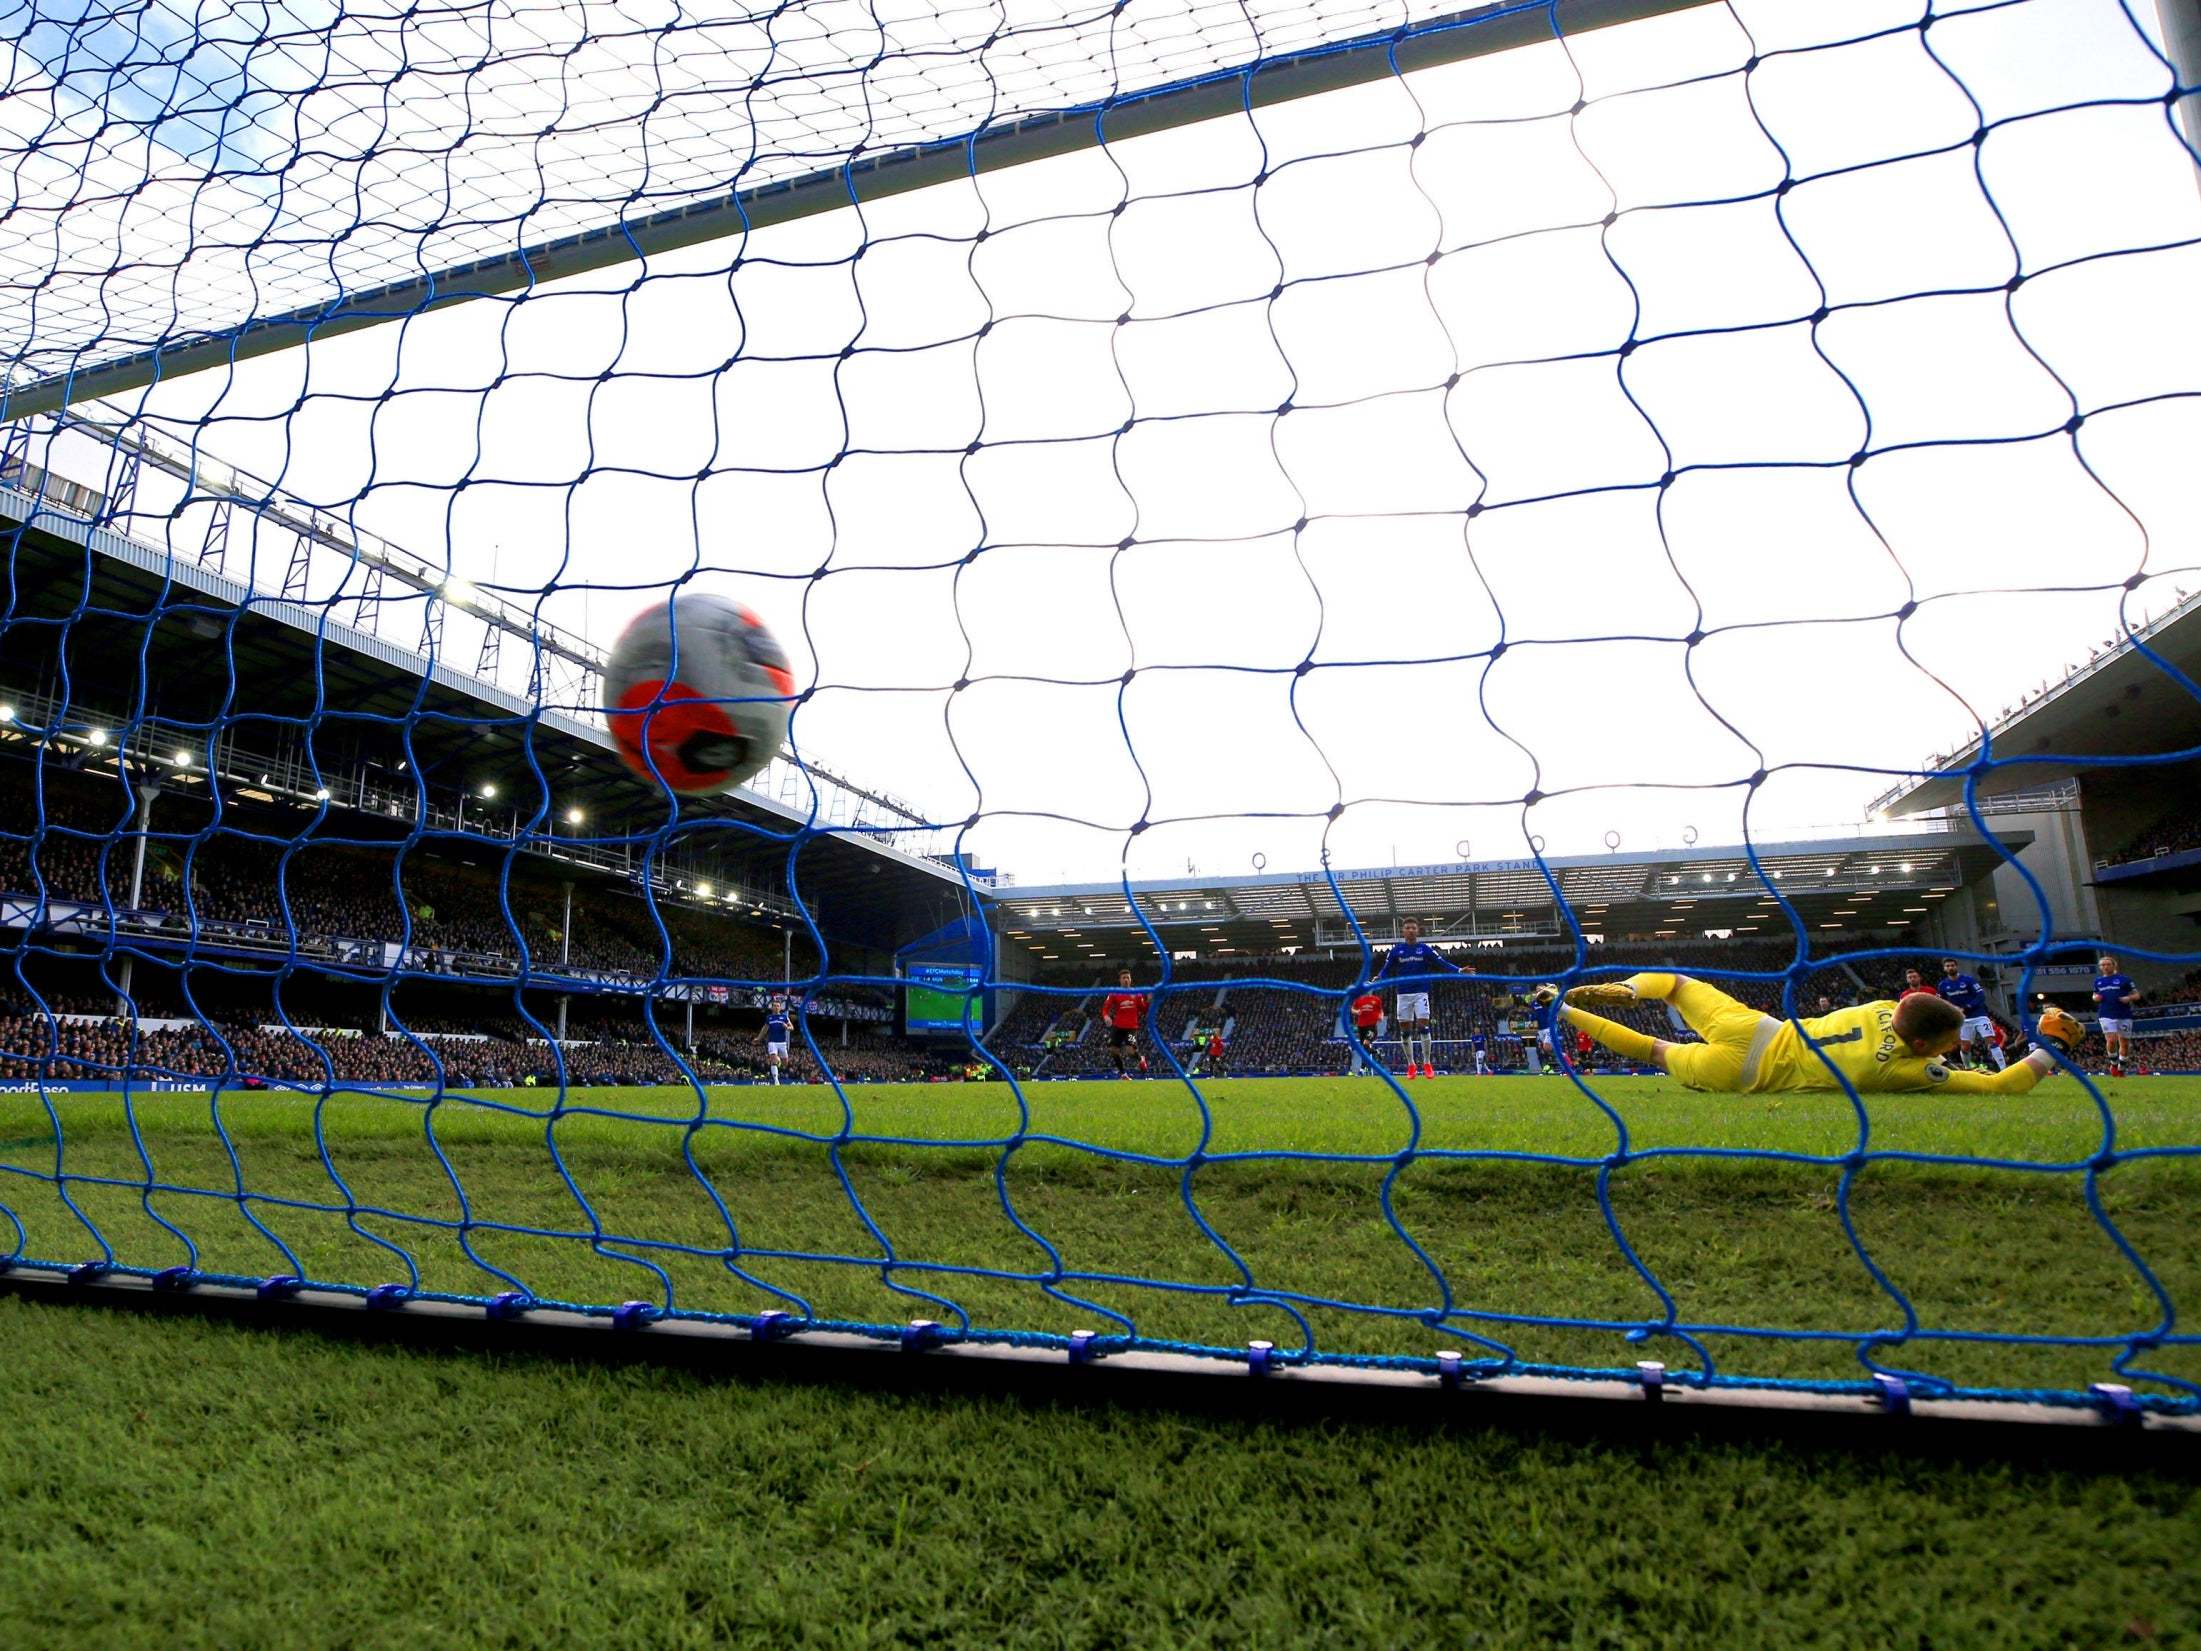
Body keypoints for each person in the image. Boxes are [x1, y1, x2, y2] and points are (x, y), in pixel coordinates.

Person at [1538, 972, 2080, 1096]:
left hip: (1755, 1026)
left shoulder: (1885, 1006)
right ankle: (1562, 1011)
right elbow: (2001, 1087)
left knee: (1676, 983)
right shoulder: (1906, 1069)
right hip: (1747, 1073)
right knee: (1655, 1050)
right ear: (1925, 1048)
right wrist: (2051, 1049)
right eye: (1944, 1046)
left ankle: (1627, 989)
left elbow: (1919, 1012)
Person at [1374, 919, 1460, 1080]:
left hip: (1421, 993)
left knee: (1422, 1026)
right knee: (1405, 1031)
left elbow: (1442, 962)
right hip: (1403, 994)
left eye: (1413, 928)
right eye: (1408, 928)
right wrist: (1379, 978)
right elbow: (1386, 969)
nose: (1411, 930)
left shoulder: (1424, 949)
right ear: (1403, 931)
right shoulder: (1396, 950)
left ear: (1418, 930)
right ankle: (1411, 1065)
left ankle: (1427, 1063)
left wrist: (1459, 970)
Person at [1936, 958, 2004, 1070]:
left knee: (1990, 1040)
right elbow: (1940, 1001)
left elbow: (1980, 996)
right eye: (1947, 966)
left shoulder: (1968, 980)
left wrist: (1967, 1007)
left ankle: (2003, 1068)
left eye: (1952, 965)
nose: (1950, 967)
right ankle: (1967, 1068)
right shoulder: (1943, 985)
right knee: (1965, 1047)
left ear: (1956, 966)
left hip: (1979, 1015)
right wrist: (1952, 1010)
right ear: (1944, 968)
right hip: (1962, 1020)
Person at [2094, 954, 2140, 1076]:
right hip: (2106, 1014)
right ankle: (2114, 1064)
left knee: (2124, 1043)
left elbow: (2137, 995)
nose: (2105, 967)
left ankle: (2121, 1069)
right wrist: (2095, 997)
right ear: (2100, 967)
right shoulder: (2098, 981)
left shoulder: (2125, 979)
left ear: (2114, 965)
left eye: (2108, 964)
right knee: (2111, 1040)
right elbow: (2094, 995)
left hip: (2124, 1014)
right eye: (2103, 965)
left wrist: (2128, 998)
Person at [1098, 969, 1149, 1079]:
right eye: (1124, 978)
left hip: (1132, 1028)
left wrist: (1149, 1001)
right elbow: (1105, 1008)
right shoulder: (1114, 993)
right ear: (1120, 980)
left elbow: (1144, 1010)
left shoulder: (1137, 994)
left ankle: (1141, 1059)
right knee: (1113, 1050)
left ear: (1131, 980)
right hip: (1118, 1027)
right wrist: (1106, 1016)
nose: (1126, 980)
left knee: (1130, 1051)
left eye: (1128, 978)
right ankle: (1123, 1074)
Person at [756, 993, 792, 1085]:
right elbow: (764, 1029)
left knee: (785, 1064)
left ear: (780, 1008)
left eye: (778, 1006)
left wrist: (787, 1027)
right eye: (774, 1006)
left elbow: (792, 1027)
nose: (776, 1007)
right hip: (772, 1042)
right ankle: (776, 1081)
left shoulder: (784, 1017)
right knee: (773, 1059)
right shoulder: (769, 1018)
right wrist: (759, 1038)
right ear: (772, 1008)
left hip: (782, 1043)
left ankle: (779, 1060)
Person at [1349, 988, 1384, 1075]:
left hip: (1371, 1026)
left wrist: (1381, 1016)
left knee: (1365, 1044)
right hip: (1361, 1027)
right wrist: (1357, 1012)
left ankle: (1362, 1069)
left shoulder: (1376, 1000)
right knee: (1364, 1049)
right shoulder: (1359, 1000)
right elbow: (1352, 1009)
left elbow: (1381, 1010)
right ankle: (1376, 1052)